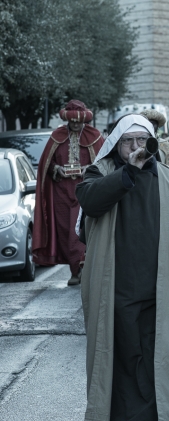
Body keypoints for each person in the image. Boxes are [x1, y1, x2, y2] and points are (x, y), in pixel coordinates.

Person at [76, 114, 169, 421]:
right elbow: (90, 202)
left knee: (155, 361)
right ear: (117, 144)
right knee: (120, 360)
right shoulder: (100, 174)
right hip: (113, 291)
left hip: (161, 291)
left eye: (143, 140)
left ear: (154, 143)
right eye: (129, 141)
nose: (137, 147)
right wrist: (128, 174)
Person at [33, 99, 104, 286]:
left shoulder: (95, 136)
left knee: (83, 231)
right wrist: (57, 170)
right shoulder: (56, 136)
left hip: (86, 191)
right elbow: (46, 166)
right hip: (61, 194)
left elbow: (103, 164)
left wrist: (87, 169)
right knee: (66, 233)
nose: (75, 124)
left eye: (78, 122)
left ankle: (84, 268)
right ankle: (75, 270)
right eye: (72, 121)